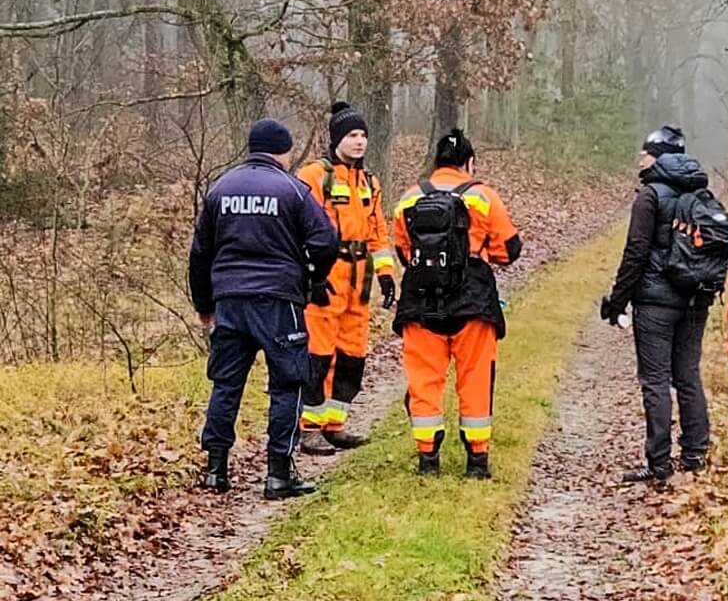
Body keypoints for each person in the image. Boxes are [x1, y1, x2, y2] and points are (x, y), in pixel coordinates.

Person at [189, 119, 338, 499]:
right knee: (287, 383)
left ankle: (215, 469)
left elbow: (200, 253)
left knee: (226, 384)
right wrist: (310, 277)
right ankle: (278, 473)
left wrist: (205, 306)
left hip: (229, 302)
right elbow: (325, 242)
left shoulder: (220, 189)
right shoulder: (293, 190)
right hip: (278, 301)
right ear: (284, 151)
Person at [603, 125, 728, 483]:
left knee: (655, 380)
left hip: (656, 304)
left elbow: (636, 252)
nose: (640, 159)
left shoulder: (650, 196)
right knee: (687, 374)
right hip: (696, 300)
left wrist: (617, 301)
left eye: (644, 153)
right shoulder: (702, 194)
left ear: (657, 156)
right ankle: (694, 454)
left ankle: (658, 464)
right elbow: (727, 240)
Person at [391, 129, 522, 478]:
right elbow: (509, 250)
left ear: (436, 162)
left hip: (420, 302)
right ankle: (476, 462)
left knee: (424, 380)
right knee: (475, 378)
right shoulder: (483, 196)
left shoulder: (409, 198)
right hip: (473, 301)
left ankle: (427, 459)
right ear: (469, 162)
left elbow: (404, 251)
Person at [293, 102, 396, 455]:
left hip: (359, 279)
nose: (360, 141)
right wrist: (312, 274)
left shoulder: (369, 181)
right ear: (336, 138)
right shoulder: (313, 176)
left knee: (352, 354)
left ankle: (335, 424)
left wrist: (386, 274)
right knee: (317, 354)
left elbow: (378, 233)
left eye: (364, 135)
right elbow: (300, 229)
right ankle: (308, 427)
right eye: (352, 135)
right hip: (327, 275)